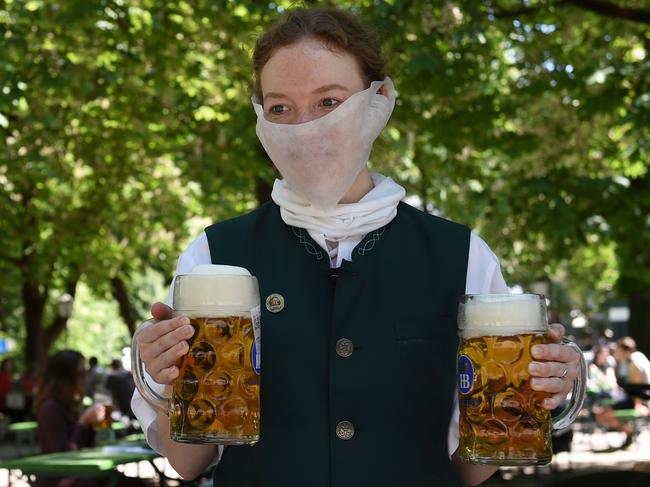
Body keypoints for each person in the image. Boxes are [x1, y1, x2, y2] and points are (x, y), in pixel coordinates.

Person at [131, 7, 582, 486]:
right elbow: (187, 464)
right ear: (261, 116)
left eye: (328, 101)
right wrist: (163, 377)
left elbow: (472, 470)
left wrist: (544, 392)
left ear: (379, 99)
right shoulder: (213, 255)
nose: (304, 126)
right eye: (281, 107)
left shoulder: (462, 255)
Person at [34, 350, 146, 487]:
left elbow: (86, 449)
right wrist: (83, 422)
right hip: (58, 479)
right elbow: (64, 456)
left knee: (128, 482)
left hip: (78, 473)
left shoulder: (68, 406)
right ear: (64, 379)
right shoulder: (50, 408)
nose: (85, 378)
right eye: (81, 373)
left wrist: (93, 426)